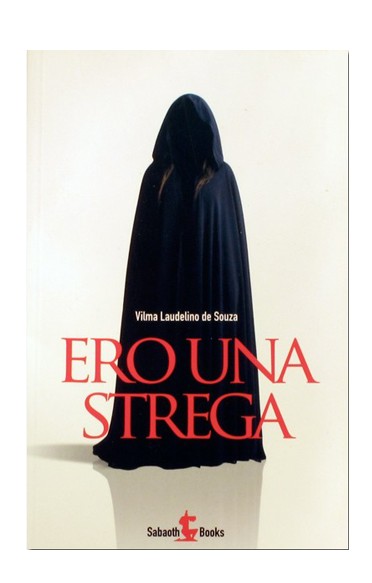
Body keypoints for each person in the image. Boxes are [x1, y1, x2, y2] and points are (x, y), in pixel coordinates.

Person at [92, 93, 266, 469]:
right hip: (164, 301)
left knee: (208, 359)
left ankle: (210, 431)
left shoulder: (222, 178)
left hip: (211, 301)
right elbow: (145, 255)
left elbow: (230, 251)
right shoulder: (156, 178)